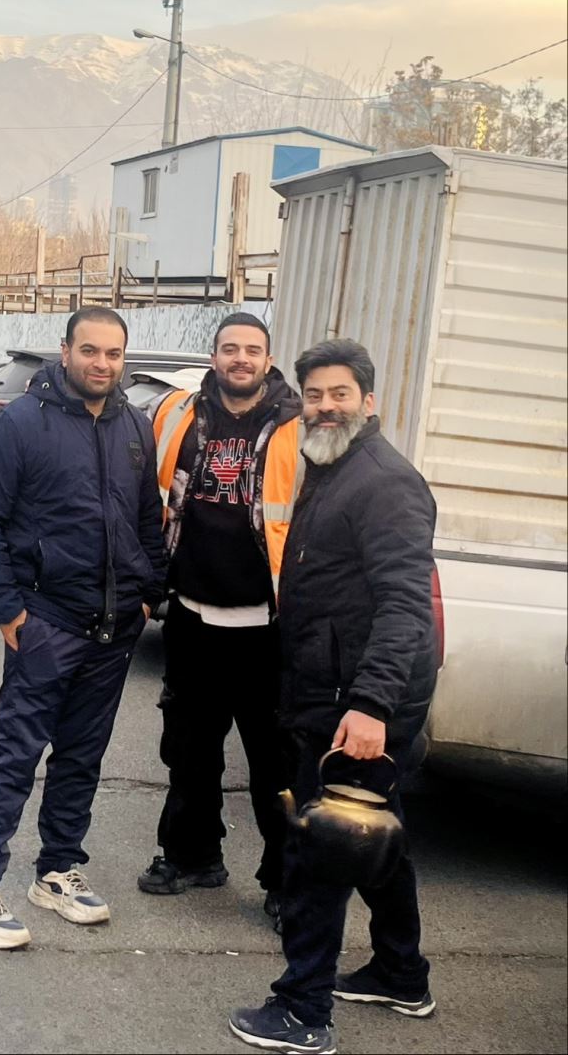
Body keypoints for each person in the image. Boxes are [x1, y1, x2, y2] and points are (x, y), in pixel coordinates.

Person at [229, 339, 439, 1055]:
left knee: (317, 849)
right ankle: (400, 973)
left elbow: (405, 606)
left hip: (356, 700)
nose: (324, 407)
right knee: (375, 831)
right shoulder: (331, 465)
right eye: (314, 395)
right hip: (334, 686)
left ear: (368, 401)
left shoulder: (385, 483)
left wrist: (371, 705)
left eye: (339, 394)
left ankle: (302, 1011)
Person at [0, 307, 167, 950]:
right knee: (15, 754)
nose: (102, 363)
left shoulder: (135, 426)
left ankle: (57, 871)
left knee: (81, 756)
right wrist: (6, 609)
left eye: (113, 354)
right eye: (90, 350)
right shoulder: (23, 422)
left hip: (113, 626)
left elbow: (148, 518)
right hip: (46, 620)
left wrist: (148, 594)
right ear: (66, 351)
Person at [139, 313, 299, 924]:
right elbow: (147, 498)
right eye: (230, 348)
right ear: (214, 357)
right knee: (189, 750)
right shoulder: (177, 414)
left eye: (252, 350)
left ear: (268, 359)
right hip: (192, 617)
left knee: (275, 764)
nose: (241, 359)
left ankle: (284, 883)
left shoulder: (296, 425)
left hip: (267, 628)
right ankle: (192, 856)